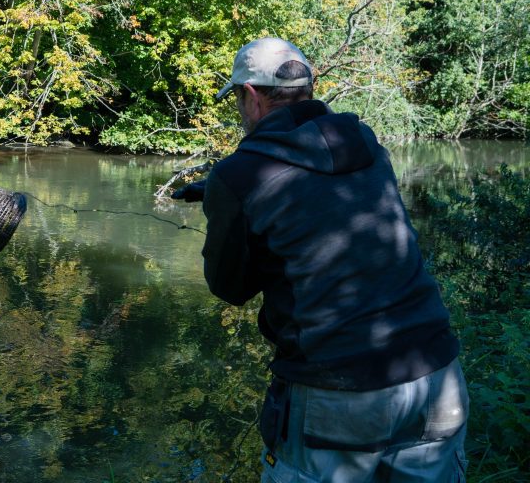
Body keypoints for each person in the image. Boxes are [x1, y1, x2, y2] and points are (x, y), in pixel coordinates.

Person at [172, 37, 468, 483]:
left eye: (236, 96)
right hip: (435, 377)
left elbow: (231, 288)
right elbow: (321, 195)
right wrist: (220, 189)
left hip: (337, 394)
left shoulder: (241, 174)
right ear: (309, 88)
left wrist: (225, 197)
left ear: (251, 95)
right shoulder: (363, 141)